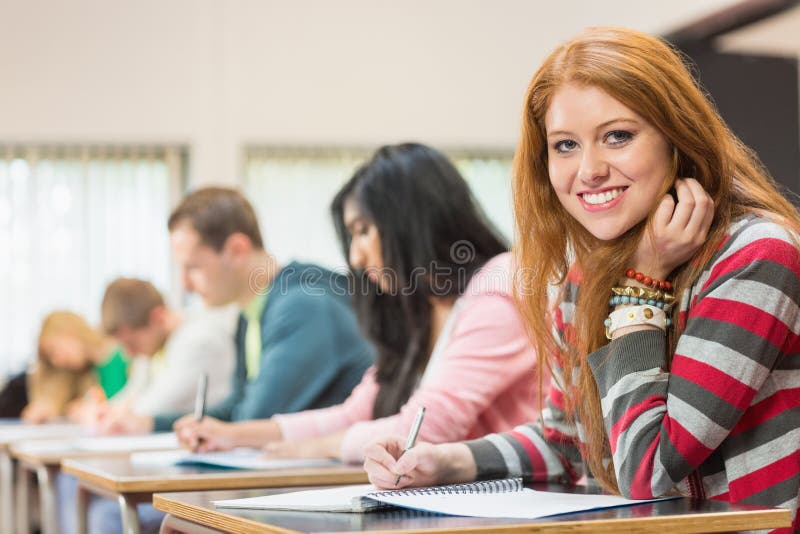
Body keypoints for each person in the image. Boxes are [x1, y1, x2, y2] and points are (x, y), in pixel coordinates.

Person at [363, 27, 800, 530]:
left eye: (618, 136)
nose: (589, 169)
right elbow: (569, 444)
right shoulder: (586, 272)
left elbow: (649, 473)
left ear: (677, 138)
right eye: (565, 145)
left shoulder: (754, 256)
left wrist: (641, 289)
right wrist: (446, 462)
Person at [176, 143, 541, 464]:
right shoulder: (422, 310)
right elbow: (354, 414)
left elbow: (426, 429)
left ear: (410, 219)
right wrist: (232, 436)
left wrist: (321, 447)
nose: (354, 256)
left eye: (363, 231)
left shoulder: (497, 286)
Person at [101, 186, 373, 435]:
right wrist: (149, 424)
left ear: (237, 250)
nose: (185, 285)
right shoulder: (250, 313)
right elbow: (236, 409)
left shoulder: (302, 307)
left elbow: (253, 418)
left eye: (192, 267)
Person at [93, 277, 236, 424]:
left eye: (132, 343)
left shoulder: (197, 339)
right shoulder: (155, 349)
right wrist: (104, 411)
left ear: (158, 317)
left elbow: (153, 406)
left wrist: (107, 415)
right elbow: (132, 395)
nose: (130, 353)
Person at [22, 311, 128, 424]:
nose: (56, 361)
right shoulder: (84, 373)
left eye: (54, 350)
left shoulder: (122, 353)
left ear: (69, 331)